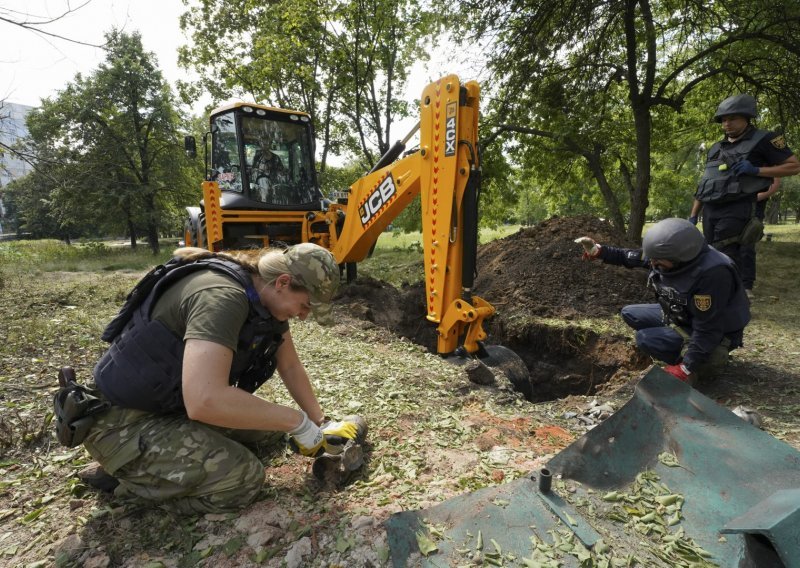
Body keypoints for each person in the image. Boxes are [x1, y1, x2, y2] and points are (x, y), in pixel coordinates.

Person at [77, 243, 359, 514]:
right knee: (243, 480)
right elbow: (204, 400)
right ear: (283, 282)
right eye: (306, 305)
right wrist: (297, 421)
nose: (304, 315)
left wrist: (318, 423)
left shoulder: (266, 298)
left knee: (271, 432)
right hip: (122, 423)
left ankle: (156, 467)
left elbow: (290, 366)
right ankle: (129, 482)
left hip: (170, 406)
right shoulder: (222, 298)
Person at [576, 218, 750, 384]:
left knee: (645, 338)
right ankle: (675, 344)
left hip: (716, 331)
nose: (651, 263)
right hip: (685, 314)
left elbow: (708, 328)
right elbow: (631, 257)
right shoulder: (667, 256)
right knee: (630, 313)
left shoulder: (713, 274)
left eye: (657, 261)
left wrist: (686, 367)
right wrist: (599, 251)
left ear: (678, 257)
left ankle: (697, 363)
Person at [689, 94, 800, 297]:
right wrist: (693, 215)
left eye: (732, 118)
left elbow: (793, 166)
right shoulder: (716, 148)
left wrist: (757, 171)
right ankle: (718, 295)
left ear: (747, 118)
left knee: (728, 252)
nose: (727, 124)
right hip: (711, 210)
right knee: (710, 252)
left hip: (738, 207)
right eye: (723, 119)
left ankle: (731, 298)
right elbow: (704, 184)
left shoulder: (765, 139)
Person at [738, 178, 780, 297]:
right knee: (729, 246)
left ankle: (746, 286)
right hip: (734, 208)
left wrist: (756, 197)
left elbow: (775, 183)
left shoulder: (767, 161)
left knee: (747, 246)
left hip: (754, 208)